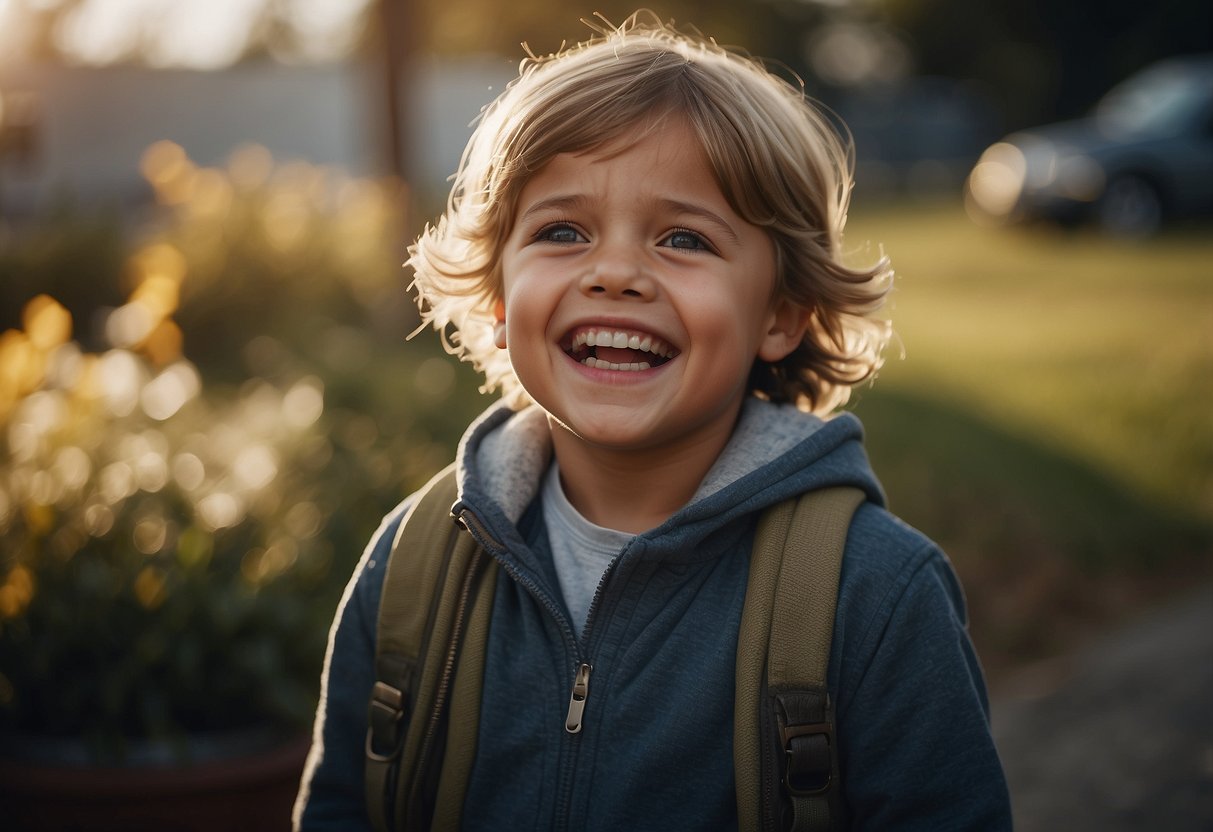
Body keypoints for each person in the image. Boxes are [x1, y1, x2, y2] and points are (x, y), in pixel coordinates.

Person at [294, 13, 1011, 831]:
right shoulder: (413, 566)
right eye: (562, 231)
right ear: (497, 299)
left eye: (682, 238)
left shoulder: (873, 594)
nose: (616, 273)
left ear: (780, 314)